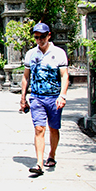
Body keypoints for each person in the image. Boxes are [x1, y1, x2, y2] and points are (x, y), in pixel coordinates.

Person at [20, 23, 69, 176]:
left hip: (54, 97)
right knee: (39, 128)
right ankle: (39, 163)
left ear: (49, 35)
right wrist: (23, 98)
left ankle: (52, 155)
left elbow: (64, 76)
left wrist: (63, 95)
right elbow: (26, 76)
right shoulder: (31, 54)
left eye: (42, 37)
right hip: (37, 97)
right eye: (36, 37)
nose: (39, 40)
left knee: (54, 128)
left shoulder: (59, 53)